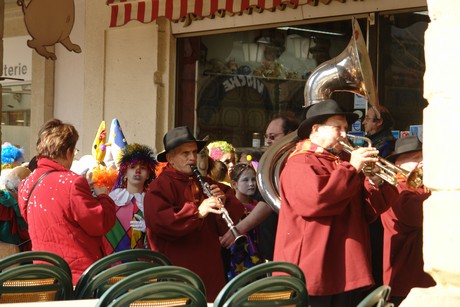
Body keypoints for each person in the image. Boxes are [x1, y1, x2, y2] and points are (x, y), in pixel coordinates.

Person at [273, 99, 397, 307]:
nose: (344, 134)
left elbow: (364, 213)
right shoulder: (300, 161)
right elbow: (317, 201)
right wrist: (351, 169)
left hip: (341, 266)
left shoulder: (339, 162)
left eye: (346, 129)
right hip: (313, 268)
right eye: (337, 128)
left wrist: (376, 184)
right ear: (316, 129)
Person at [144, 126, 244, 301]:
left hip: (210, 272)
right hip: (178, 274)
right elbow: (161, 222)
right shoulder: (159, 187)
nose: (192, 158)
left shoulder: (206, 182)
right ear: (170, 158)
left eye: (194, 152)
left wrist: (224, 201)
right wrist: (197, 213)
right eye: (185, 154)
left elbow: (235, 204)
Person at [18, 118, 116, 285]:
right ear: (69, 151)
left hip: (45, 275)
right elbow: (99, 223)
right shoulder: (73, 182)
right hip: (77, 277)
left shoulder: (26, 183)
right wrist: (103, 196)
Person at [381, 136, 435, 306]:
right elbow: (415, 215)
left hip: (423, 274)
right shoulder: (396, 185)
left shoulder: (421, 185)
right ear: (399, 164)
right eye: (414, 158)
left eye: (421, 157)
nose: (421, 163)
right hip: (404, 274)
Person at [362, 104, 396, 288]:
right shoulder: (373, 141)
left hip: (380, 205)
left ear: (379, 122)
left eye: (368, 118)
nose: (364, 121)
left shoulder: (386, 144)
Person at [103, 143, 157, 254]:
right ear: (125, 173)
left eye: (143, 168)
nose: (138, 171)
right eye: (132, 167)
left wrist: (150, 230)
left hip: (141, 265)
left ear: (148, 175)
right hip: (111, 264)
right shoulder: (112, 199)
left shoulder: (152, 202)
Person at [226, 163, 263, 280]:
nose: (251, 184)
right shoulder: (229, 207)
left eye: (253, 179)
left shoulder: (259, 206)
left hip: (258, 257)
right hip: (237, 259)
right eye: (245, 180)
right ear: (234, 184)